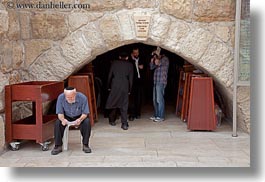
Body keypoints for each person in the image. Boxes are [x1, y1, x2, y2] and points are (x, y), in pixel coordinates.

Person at [51, 87, 91, 155]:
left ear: (75, 94)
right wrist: (63, 120)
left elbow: (85, 113)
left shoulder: (83, 97)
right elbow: (60, 113)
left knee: (87, 122)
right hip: (66, 116)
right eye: (68, 97)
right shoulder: (61, 97)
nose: (70, 99)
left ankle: (85, 144)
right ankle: (58, 146)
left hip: (79, 116)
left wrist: (80, 119)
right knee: (58, 123)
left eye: (72, 97)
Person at [105, 52, 134, 130]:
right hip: (125, 86)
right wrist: (130, 90)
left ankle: (112, 120)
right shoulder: (130, 65)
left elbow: (110, 75)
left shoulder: (114, 63)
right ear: (127, 57)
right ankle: (124, 124)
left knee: (114, 102)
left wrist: (108, 86)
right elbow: (131, 79)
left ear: (119, 56)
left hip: (115, 85)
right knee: (124, 105)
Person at [149, 47, 169, 122]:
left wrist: (155, 57)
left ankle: (161, 116)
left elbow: (157, 63)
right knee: (154, 99)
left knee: (159, 99)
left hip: (161, 81)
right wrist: (152, 61)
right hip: (155, 81)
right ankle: (156, 115)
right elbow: (151, 67)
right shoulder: (156, 59)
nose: (154, 54)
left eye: (156, 52)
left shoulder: (165, 59)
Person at [128, 47, 144, 121]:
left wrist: (142, 67)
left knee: (139, 98)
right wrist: (134, 61)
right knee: (132, 99)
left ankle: (138, 113)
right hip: (132, 81)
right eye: (134, 53)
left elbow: (145, 67)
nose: (136, 54)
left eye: (137, 53)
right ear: (132, 53)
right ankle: (132, 114)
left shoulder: (142, 59)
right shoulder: (130, 60)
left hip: (140, 81)